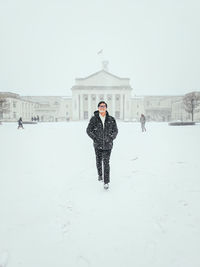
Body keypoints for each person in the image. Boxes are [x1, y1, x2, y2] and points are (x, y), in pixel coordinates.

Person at [86, 101, 118, 190]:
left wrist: (111, 138)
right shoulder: (94, 119)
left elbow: (115, 131)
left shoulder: (111, 119)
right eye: (100, 106)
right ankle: (100, 175)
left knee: (106, 163)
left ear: (106, 108)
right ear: (98, 108)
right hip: (98, 145)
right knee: (99, 161)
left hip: (108, 145)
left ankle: (106, 182)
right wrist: (95, 138)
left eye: (103, 106)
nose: (102, 107)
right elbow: (88, 130)